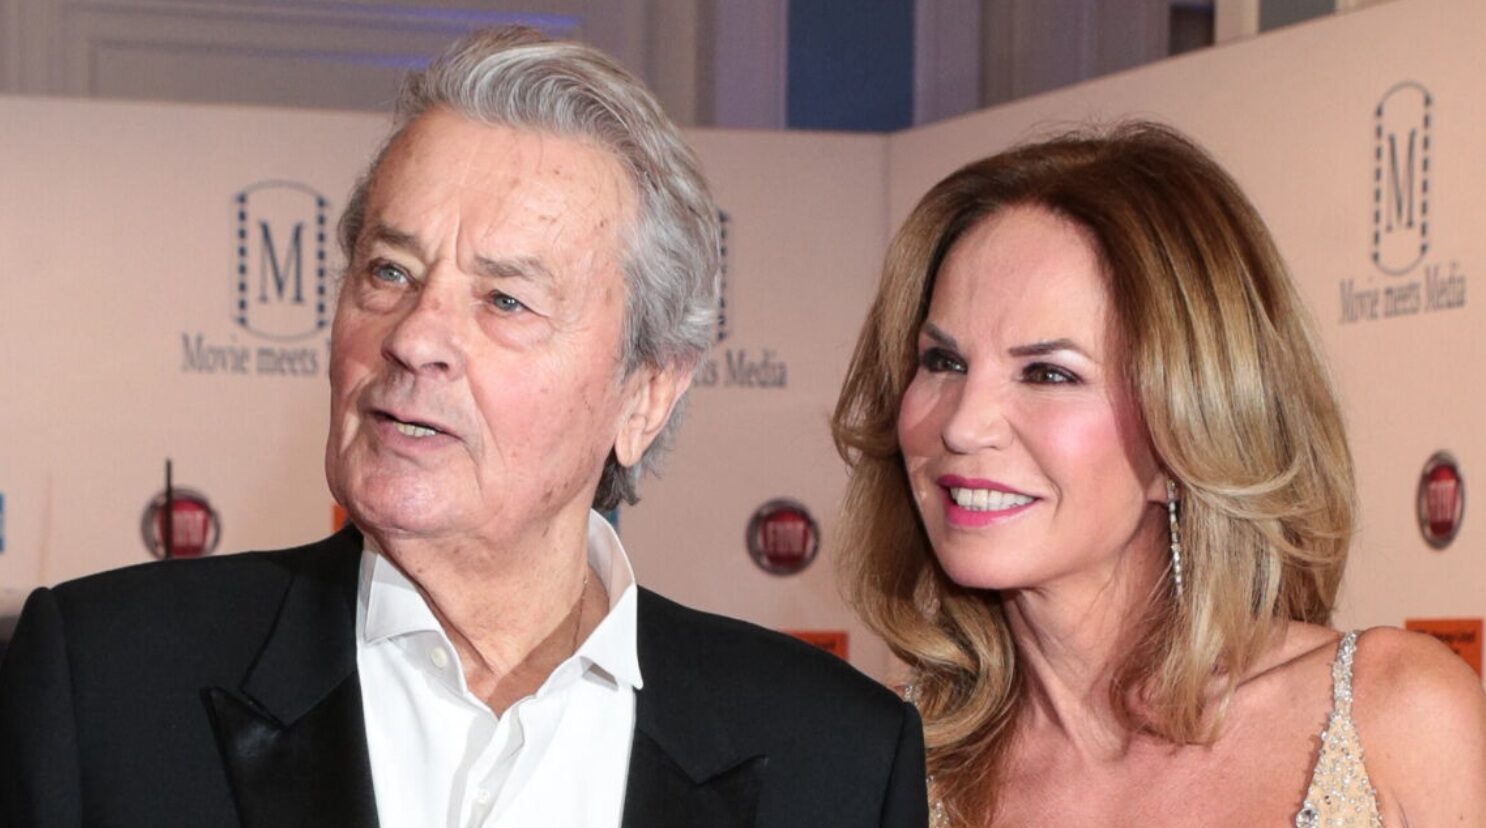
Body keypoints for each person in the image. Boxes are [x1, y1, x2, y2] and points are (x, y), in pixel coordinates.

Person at [0, 27, 927, 827]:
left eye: (505, 300)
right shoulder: (106, 683)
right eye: (390, 272)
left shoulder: (833, 758)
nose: (415, 338)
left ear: (645, 394)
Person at [831, 122, 1486, 826]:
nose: (963, 424)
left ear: (1190, 431)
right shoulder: (882, 765)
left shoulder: (1396, 721)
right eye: (944, 362)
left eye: (1048, 373)